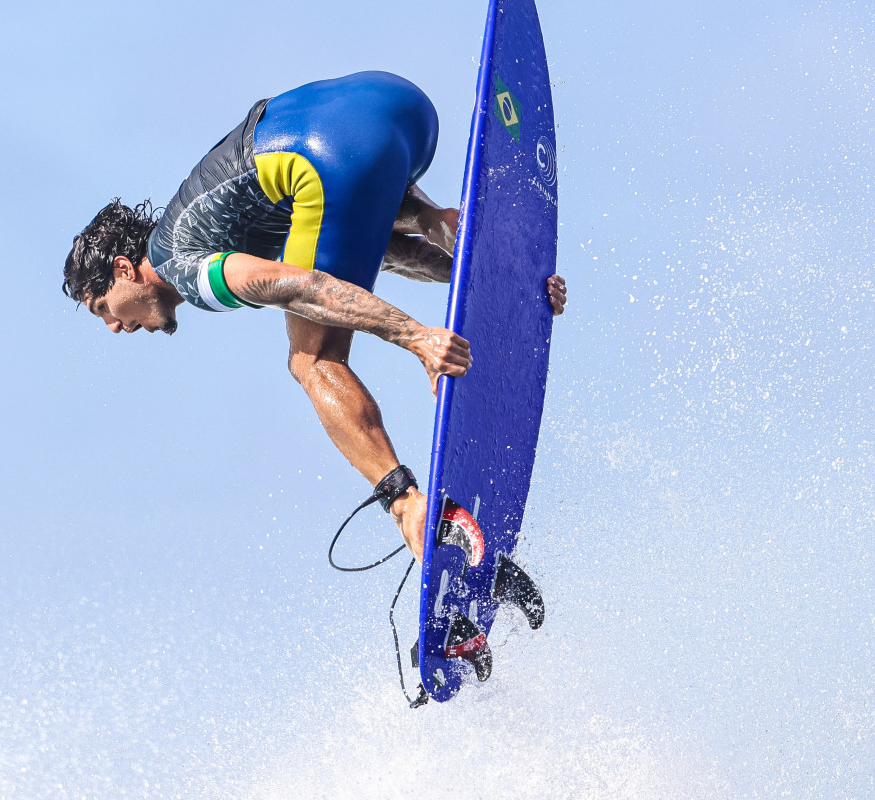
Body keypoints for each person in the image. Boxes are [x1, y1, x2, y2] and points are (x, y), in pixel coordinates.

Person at [62, 70, 567, 562]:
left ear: (124, 268)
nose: (114, 326)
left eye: (103, 307)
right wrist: (504, 283)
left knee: (312, 359)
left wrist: (417, 338)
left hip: (323, 155)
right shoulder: (210, 215)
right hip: (402, 113)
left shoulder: (178, 262)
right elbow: (362, 240)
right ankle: (463, 238)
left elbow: (302, 286)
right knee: (358, 224)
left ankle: (410, 506)